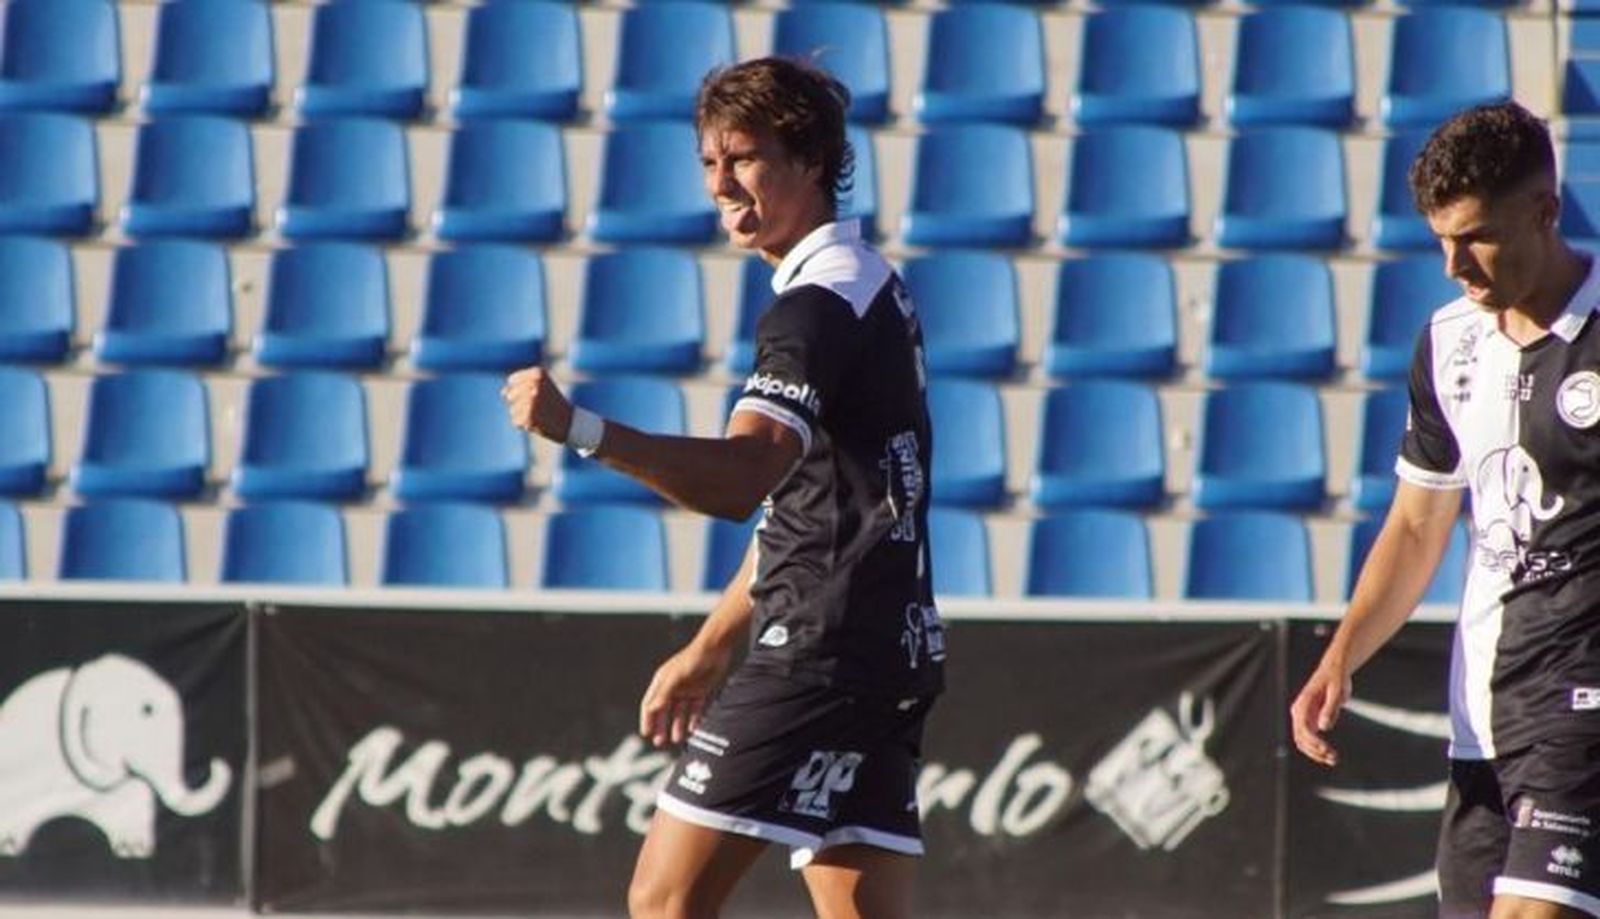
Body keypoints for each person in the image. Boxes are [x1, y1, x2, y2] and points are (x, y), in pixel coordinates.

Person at [502, 57, 944, 919]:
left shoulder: (815, 307)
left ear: (812, 160)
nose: (722, 185)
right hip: (890, 651)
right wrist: (710, 645)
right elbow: (815, 508)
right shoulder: (871, 285)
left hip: (818, 654)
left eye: (744, 158)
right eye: (710, 163)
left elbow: (744, 479)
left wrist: (579, 429)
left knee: (664, 902)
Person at [1290, 100, 1600, 919]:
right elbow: (1419, 522)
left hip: (1582, 709)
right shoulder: (1450, 342)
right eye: (1441, 240)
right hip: (1482, 724)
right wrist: (1343, 655)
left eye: (1476, 237)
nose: (1454, 264)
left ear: (1545, 210)